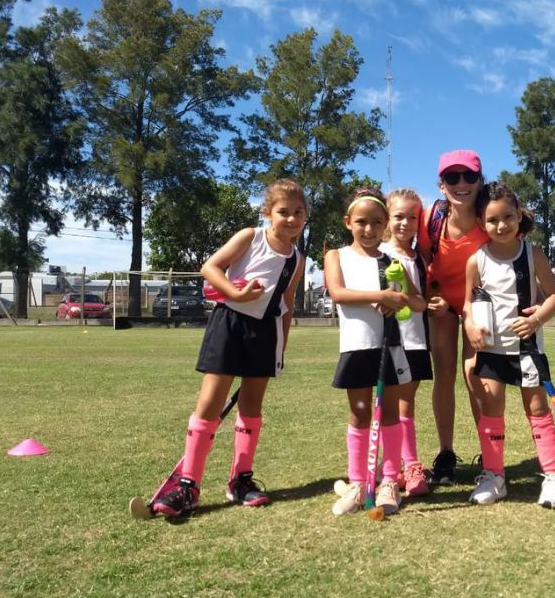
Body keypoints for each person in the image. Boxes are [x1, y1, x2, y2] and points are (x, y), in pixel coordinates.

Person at [151, 179, 307, 518]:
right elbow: (209, 268)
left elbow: (287, 302)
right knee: (210, 401)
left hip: (266, 332)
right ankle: (188, 484)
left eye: (298, 213)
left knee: (251, 405)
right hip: (229, 323)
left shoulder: (298, 258)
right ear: (268, 213)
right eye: (283, 212)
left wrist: (281, 346)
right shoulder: (250, 236)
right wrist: (233, 294)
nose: (291, 219)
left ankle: (241, 480)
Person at [462, 181, 555, 508]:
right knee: (490, 409)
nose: (501, 225)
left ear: (519, 216)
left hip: (527, 350)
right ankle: (494, 477)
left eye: (508, 217)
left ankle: (553, 477)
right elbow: (468, 305)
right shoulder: (476, 260)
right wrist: (470, 327)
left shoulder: (533, 254)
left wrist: (536, 320)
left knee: (536, 409)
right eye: (492, 220)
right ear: (481, 223)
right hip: (492, 351)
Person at [324, 188, 427, 516]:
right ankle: (358, 483)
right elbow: (338, 293)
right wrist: (383, 295)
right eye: (361, 222)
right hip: (356, 346)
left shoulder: (392, 261)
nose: (368, 229)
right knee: (360, 413)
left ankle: (387, 482)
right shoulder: (336, 256)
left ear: (384, 226)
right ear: (348, 222)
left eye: (376, 223)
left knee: (392, 414)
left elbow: (416, 301)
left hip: (390, 347)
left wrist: (401, 300)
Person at [416, 149, 490, 485]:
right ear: (441, 184)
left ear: (479, 180)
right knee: (443, 375)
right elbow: (419, 262)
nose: (461, 184)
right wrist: (433, 297)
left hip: (481, 305)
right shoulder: (431, 218)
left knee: (475, 375)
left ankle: (490, 453)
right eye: (452, 177)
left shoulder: (491, 217)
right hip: (442, 305)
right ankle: (446, 453)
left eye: (469, 176)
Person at [379, 188, 434, 497]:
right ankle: (402, 465)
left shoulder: (419, 258)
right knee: (392, 405)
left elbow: (422, 299)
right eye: (398, 216)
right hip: (390, 342)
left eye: (412, 217)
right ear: (388, 217)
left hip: (416, 339)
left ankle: (406, 465)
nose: (405, 223)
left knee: (408, 402)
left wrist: (432, 302)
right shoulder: (381, 251)